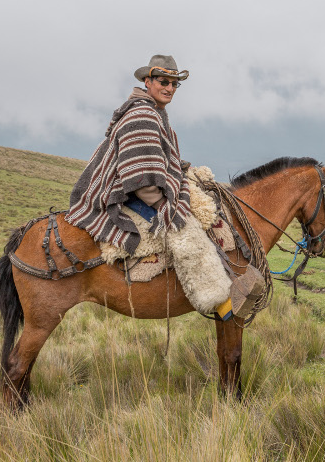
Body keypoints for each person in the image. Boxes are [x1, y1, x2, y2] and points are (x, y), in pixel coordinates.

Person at [66, 55, 234, 317]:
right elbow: (140, 176)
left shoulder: (152, 111)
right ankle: (218, 302)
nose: (169, 88)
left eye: (174, 84)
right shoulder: (144, 114)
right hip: (128, 193)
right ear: (148, 81)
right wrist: (165, 205)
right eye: (163, 82)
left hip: (138, 187)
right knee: (186, 231)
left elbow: (159, 156)